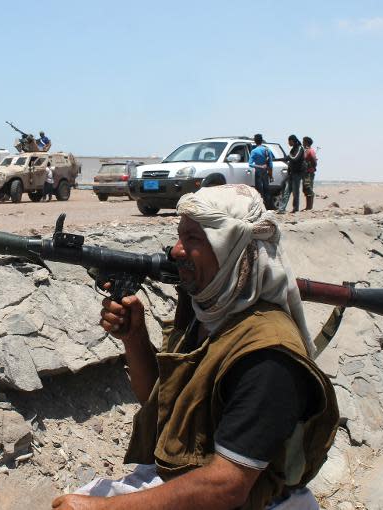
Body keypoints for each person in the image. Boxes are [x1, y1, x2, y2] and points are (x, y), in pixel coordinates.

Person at [52, 184, 339, 510]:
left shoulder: (268, 355)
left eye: (193, 238)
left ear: (230, 249)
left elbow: (227, 485)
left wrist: (102, 509)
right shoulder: (203, 313)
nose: (176, 250)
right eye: (179, 236)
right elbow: (160, 406)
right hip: (189, 483)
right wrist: (134, 337)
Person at [277, 135, 306, 214]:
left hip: (297, 174)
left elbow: (295, 158)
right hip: (291, 173)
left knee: (295, 192)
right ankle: (282, 209)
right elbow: (287, 158)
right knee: (287, 191)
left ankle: (295, 209)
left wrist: (289, 157)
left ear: (292, 141)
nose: (288, 143)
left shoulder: (300, 148)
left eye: (289, 141)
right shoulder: (293, 149)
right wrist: (276, 159)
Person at [248, 134, 273, 209]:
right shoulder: (267, 150)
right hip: (265, 172)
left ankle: (260, 208)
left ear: (255, 141)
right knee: (267, 190)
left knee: (259, 191)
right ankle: (267, 207)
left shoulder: (254, 151)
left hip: (258, 173)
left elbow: (250, 164)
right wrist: (271, 175)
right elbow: (270, 164)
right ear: (262, 140)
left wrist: (259, 166)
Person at [302, 137, 317, 210]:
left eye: (303, 141)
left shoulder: (311, 151)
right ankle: (308, 207)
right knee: (305, 189)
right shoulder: (306, 151)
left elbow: (314, 160)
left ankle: (309, 207)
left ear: (306, 142)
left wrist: (311, 167)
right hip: (305, 172)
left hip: (309, 172)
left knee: (308, 188)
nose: (302, 143)